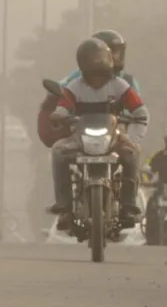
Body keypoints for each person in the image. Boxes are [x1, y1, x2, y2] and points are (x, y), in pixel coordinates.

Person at [47, 38, 149, 231]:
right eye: (92, 59)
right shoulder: (74, 87)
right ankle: (65, 207)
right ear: (82, 62)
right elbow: (63, 107)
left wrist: (133, 139)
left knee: (132, 154)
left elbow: (140, 112)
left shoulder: (120, 86)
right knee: (58, 151)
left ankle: (128, 205)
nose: (97, 63)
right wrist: (59, 115)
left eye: (100, 58)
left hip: (115, 137)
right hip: (80, 137)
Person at [37, 29, 141, 148]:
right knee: (59, 150)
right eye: (106, 53)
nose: (113, 57)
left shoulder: (128, 81)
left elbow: (137, 108)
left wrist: (131, 120)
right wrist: (60, 109)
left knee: (132, 151)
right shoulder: (79, 77)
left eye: (117, 52)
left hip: (116, 133)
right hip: (82, 130)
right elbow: (63, 90)